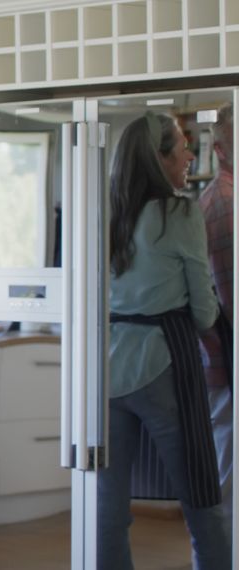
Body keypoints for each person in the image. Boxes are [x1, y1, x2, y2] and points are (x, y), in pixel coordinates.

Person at [102, 111, 231, 570]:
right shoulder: (180, 212)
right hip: (163, 365)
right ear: (159, 160)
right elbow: (203, 310)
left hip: (106, 370)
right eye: (182, 149)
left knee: (108, 510)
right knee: (199, 491)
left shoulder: (104, 210)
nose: (189, 155)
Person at [198, 102, 234, 530]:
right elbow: (231, 297)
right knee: (228, 471)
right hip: (225, 364)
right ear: (222, 148)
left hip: (218, 360)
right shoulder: (225, 200)